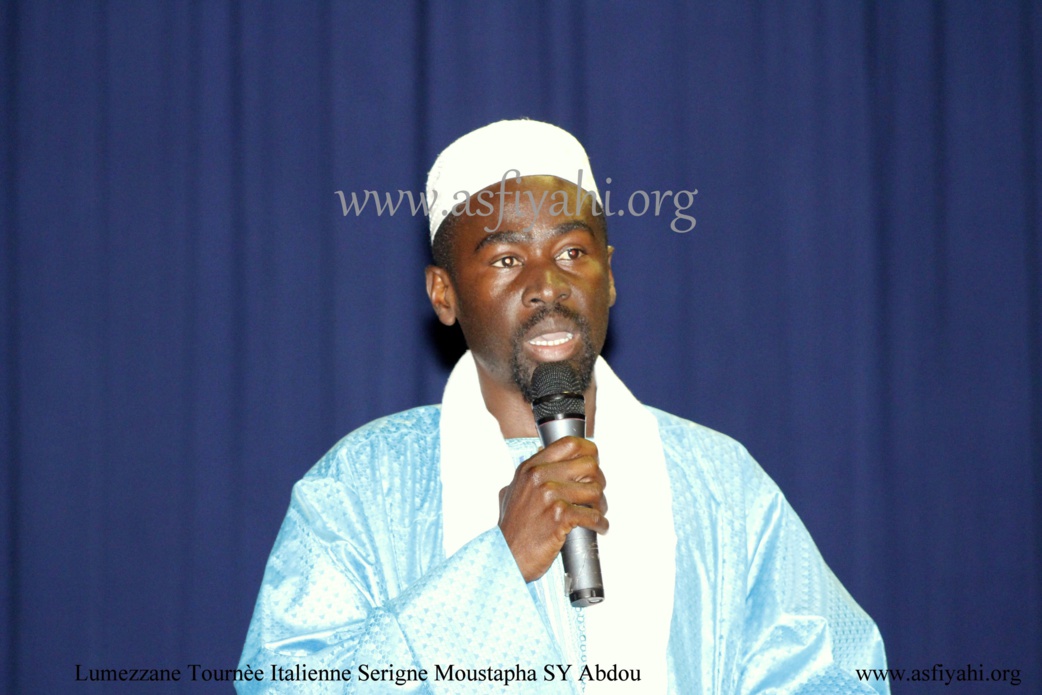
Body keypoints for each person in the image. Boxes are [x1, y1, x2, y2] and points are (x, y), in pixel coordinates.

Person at [237, 120, 888, 693]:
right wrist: (499, 564)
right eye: (507, 257)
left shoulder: (718, 484)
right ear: (444, 294)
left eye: (573, 252)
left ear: (610, 273)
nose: (547, 285)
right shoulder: (361, 488)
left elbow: (832, 675)